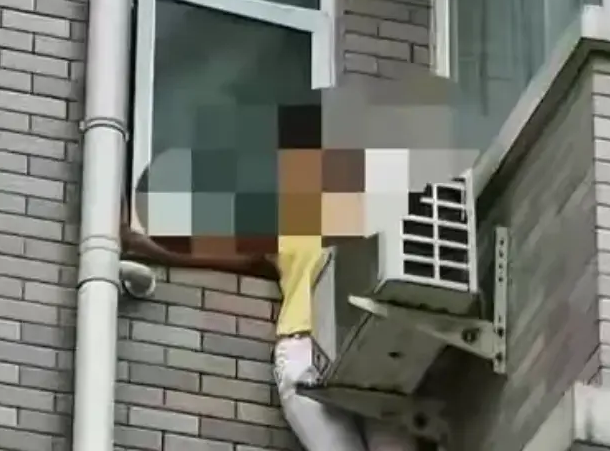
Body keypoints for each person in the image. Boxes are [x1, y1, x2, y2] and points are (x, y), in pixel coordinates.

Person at [121, 157, 417, 451]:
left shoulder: (371, 209)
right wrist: (145, 245)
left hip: (376, 352)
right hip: (306, 352)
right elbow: (211, 252)